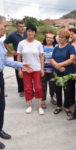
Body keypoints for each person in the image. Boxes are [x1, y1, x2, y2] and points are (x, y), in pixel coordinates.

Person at [0, 16, 32, 149]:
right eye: (5, 26)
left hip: (0, 76)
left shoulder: (0, 43)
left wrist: (20, 65)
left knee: (1, 105)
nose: (6, 29)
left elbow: (5, 61)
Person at [17, 24, 44, 115]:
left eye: (32, 31)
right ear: (26, 32)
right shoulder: (21, 43)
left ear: (35, 33)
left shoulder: (38, 43)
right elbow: (19, 57)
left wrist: (42, 69)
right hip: (25, 70)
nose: (30, 33)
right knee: (27, 88)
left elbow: (41, 57)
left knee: (38, 88)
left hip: (36, 69)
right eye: (28, 31)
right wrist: (19, 69)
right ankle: (29, 106)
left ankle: (40, 106)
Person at [51, 29, 76, 120]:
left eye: (62, 37)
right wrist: (56, 66)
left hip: (67, 73)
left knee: (67, 91)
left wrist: (60, 65)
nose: (60, 39)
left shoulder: (70, 47)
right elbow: (52, 58)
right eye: (59, 37)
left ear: (66, 39)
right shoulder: (56, 47)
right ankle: (59, 106)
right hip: (57, 73)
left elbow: (71, 59)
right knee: (57, 90)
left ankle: (67, 107)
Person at [4, 20, 27, 97]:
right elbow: (5, 42)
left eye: (23, 26)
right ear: (17, 27)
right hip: (17, 56)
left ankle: (27, 88)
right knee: (19, 73)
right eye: (20, 26)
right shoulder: (12, 35)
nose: (22, 28)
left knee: (27, 71)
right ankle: (21, 90)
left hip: (26, 56)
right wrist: (10, 51)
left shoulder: (27, 34)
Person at [41, 32, 57, 109]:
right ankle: (43, 100)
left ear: (53, 39)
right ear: (45, 38)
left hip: (53, 71)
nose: (49, 39)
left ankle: (52, 98)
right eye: (47, 37)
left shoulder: (56, 47)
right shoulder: (41, 47)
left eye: (51, 38)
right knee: (43, 86)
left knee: (52, 86)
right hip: (43, 70)